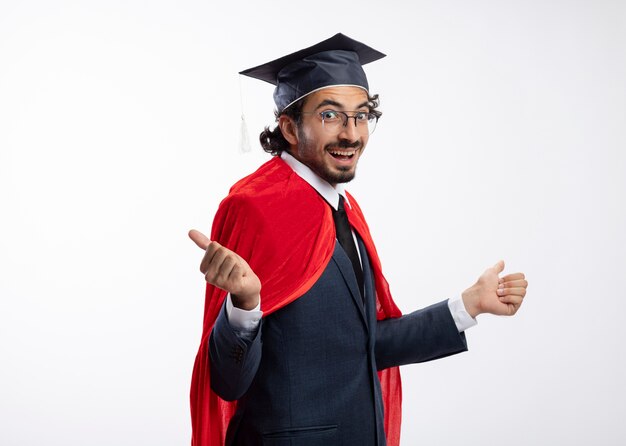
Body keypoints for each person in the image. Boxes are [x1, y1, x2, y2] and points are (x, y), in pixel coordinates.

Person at [188, 33, 528, 446]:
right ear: (289, 127)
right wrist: (245, 305)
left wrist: (467, 305)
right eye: (330, 115)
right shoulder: (252, 206)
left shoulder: (345, 211)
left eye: (362, 115)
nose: (352, 133)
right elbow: (228, 381)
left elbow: (363, 346)